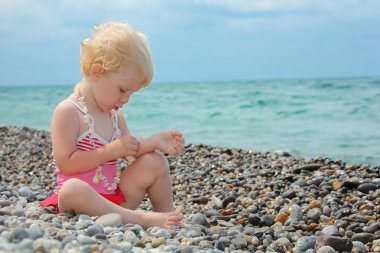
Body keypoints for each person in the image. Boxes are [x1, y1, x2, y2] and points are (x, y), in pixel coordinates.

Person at [41, 21, 185, 228]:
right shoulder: (68, 111)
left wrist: (155, 142)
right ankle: (142, 219)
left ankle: (168, 217)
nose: (126, 99)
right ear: (97, 72)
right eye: (122, 90)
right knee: (72, 189)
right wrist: (111, 150)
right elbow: (67, 164)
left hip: (117, 201)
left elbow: (130, 152)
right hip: (81, 205)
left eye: (131, 93)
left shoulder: (115, 116)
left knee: (155, 161)